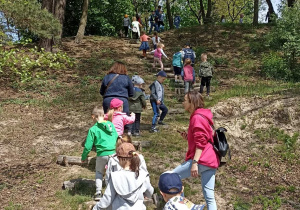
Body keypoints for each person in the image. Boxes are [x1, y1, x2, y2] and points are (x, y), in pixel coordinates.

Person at [172, 91, 220, 210]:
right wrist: (188, 137)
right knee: (209, 196)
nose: (183, 102)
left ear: (192, 102)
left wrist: (195, 163)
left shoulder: (197, 117)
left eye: (185, 100)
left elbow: (201, 143)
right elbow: (203, 137)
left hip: (202, 159)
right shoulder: (202, 115)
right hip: (211, 160)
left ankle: (181, 207)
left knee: (172, 177)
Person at [92, 142, 154, 210]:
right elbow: (150, 191)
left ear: (119, 159)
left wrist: (96, 208)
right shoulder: (142, 175)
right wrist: (145, 195)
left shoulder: (116, 177)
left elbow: (108, 198)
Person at [81, 106, 118, 201]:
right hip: (113, 153)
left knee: (99, 172)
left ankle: (98, 192)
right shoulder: (111, 125)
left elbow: (88, 146)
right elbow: (116, 138)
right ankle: (114, 193)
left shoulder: (93, 129)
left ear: (93, 117)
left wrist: (84, 157)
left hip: (102, 154)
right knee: (113, 173)